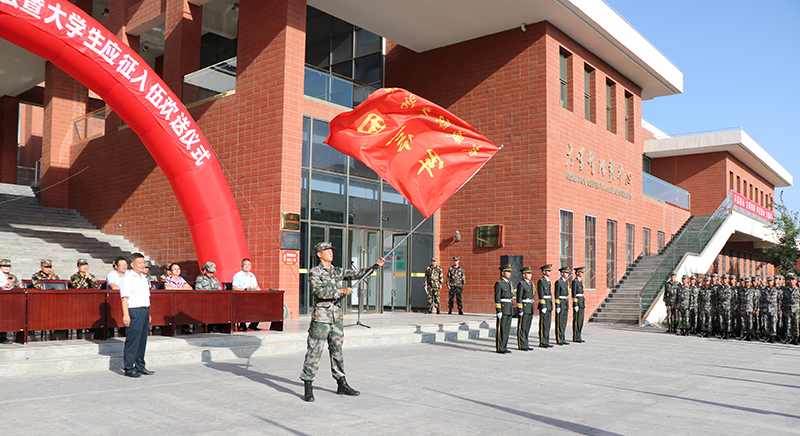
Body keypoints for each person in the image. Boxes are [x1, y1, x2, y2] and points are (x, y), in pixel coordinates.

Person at [300, 242, 385, 402]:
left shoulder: (337, 271)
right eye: (327, 251)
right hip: (321, 319)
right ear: (319, 254)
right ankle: (308, 386)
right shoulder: (314, 272)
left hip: (336, 318)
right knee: (314, 351)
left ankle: (342, 384)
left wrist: (374, 266)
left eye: (331, 250)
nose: (330, 253)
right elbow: (318, 291)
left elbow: (356, 274)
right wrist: (340, 291)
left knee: (337, 351)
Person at [120, 253, 153, 378]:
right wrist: (125, 315)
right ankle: (129, 368)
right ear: (132, 264)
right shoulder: (128, 278)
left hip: (144, 310)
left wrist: (149, 312)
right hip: (134, 311)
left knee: (142, 341)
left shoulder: (143, 277)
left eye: (143, 263)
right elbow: (124, 298)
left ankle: (140, 366)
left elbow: (146, 297)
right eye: (139, 263)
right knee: (133, 340)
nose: (142, 265)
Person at [232, 258, 262, 331]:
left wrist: (257, 288)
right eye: (245, 265)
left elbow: (255, 286)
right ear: (242, 266)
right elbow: (234, 288)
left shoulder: (252, 276)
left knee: (260, 306)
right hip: (240, 298)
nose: (247, 266)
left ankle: (253, 325)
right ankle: (243, 325)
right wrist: (244, 289)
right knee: (243, 307)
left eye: (249, 265)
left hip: (251, 297)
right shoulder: (237, 275)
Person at [494, 263, 514, 354]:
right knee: (501, 329)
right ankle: (500, 347)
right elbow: (497, 297)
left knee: (506, 329)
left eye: (510, 272)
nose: (509, 273)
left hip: (509, 308)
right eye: (507, 272)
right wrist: (499, 310)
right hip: (503, 308)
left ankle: (504, 346)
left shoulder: (509, 283)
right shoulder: (499, 283)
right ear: (503, 272)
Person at [515, 266, 535, 351]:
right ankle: (521, 344)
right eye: (528, 273)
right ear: (524, 275)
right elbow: (519, 297)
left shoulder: (531, 284)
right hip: (524, 307)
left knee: (527, 327)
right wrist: (520, 309)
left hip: (530, 307)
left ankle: (526, 344)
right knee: (522, 327)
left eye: (530, 273)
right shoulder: (521, 284)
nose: (530, 275)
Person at [537, 264, 553, 349]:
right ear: (544, 272)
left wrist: (551, 305)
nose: (549, 272)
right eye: (548, 271)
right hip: (544, 304)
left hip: (548, 304)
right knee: (543, 324)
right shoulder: (541, 281)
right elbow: (541, 294)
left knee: (547, 324)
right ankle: (542, 341)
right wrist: (543, 305)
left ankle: (546, 341)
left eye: (550, 271)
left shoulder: (548, 281)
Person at [554, 266, 570, 345]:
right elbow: (556, 294)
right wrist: (557, 306)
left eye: (567, 273)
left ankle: (563, 338)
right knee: (559, 322)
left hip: (565, 302)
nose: (567, 274)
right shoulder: (558, 282)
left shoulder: (566, 282)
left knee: (564, 321)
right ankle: (559, 338)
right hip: (561, 302)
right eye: (566, 272)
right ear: (562, 273)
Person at [571, 266, 585, 343]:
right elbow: (574, 294)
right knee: (577, 320)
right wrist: (575, 304)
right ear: (577, 273)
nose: (582, 273)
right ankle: (575, 336)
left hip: (582, 302)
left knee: (581, 320)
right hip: (578, 302)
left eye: (582, 272)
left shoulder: (580, 281)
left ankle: (579, 336)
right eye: (581, 272)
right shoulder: (575, 282)